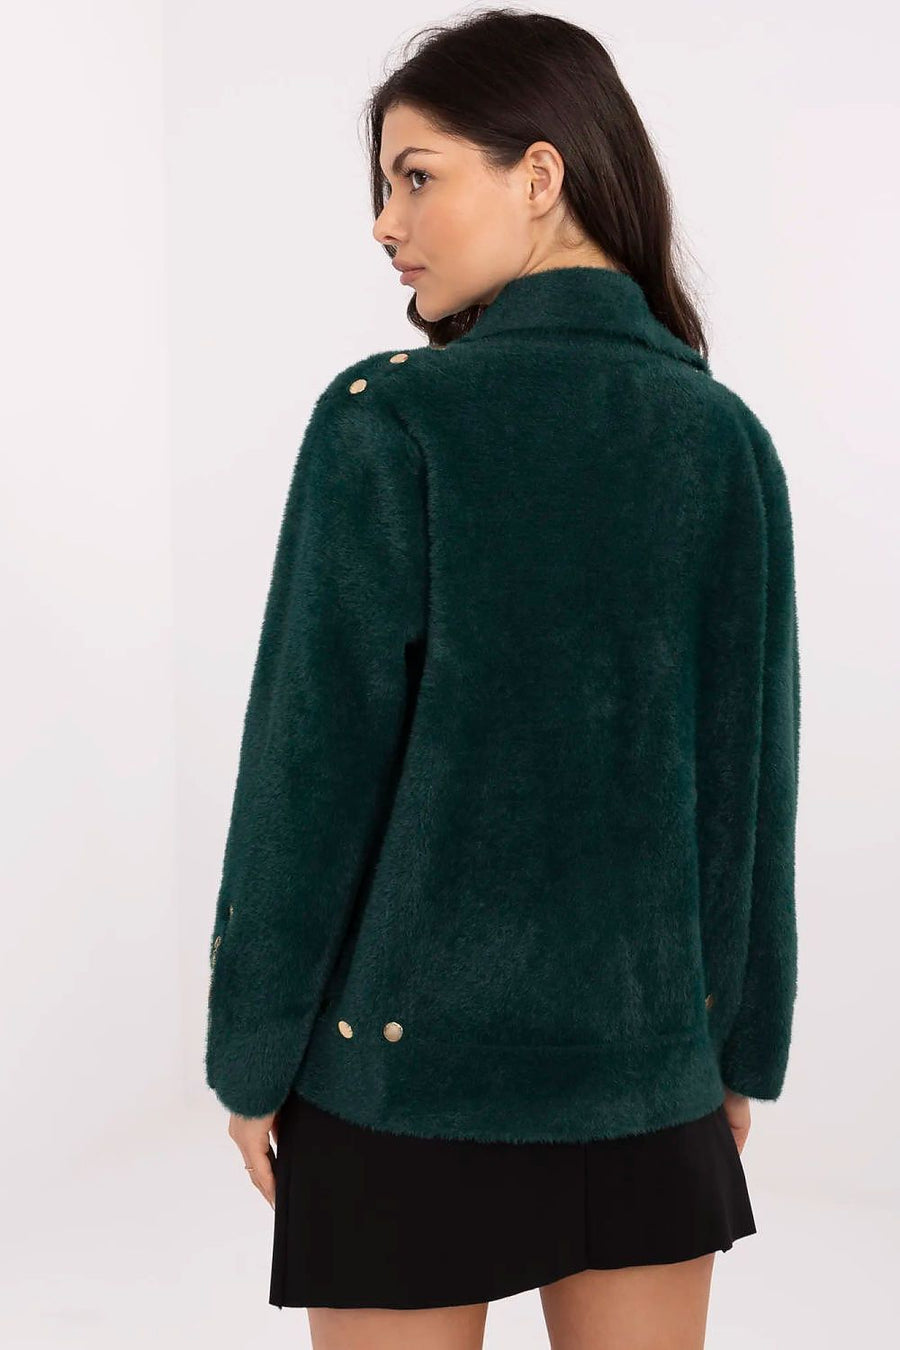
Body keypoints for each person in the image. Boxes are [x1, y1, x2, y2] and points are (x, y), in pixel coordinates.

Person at [204, 10, 800, 1349]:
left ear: (540, 175)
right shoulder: (723, 436)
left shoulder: (391, 418)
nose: (385, 223)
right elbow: (751, 786)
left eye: (415, 176)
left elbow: (309, 776)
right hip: (648, 1088)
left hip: (398, 1092)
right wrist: (733, 1049)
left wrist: (252, 1053)